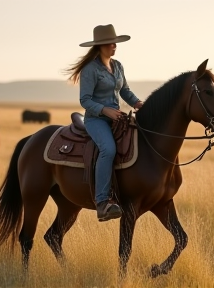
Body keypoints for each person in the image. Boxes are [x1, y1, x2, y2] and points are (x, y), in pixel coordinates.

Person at [65, 24, 143, 221]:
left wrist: (138, 102)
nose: (114, 46)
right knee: (108, 149)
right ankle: (102, 202)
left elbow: (125, 90)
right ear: (99, 46)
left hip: (116, 118)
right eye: (109, 43)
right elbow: (85, 100)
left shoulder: (118, 66)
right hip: (96, 120)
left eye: (115, 43)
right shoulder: (90, 69)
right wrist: (105, 110)